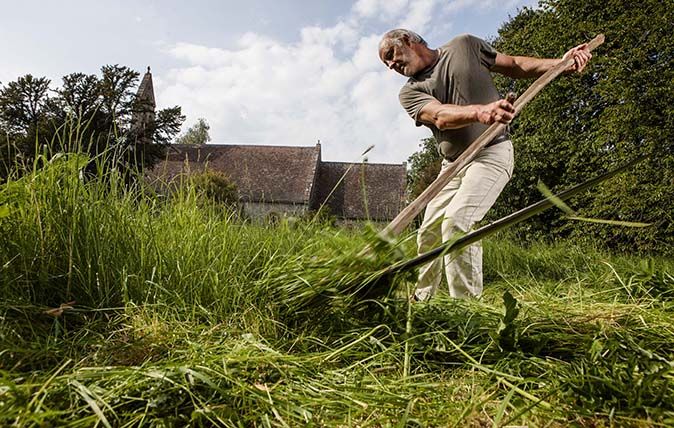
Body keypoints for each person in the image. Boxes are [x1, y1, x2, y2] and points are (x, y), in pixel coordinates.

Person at [378, 29, 592, 300]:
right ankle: (421, 300)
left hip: (492, 153)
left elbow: (514, 65)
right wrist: (480, 111)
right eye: (386, 63)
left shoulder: (464, 45)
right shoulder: (409, 92)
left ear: (408, 40)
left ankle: (466, 311)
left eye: (391, 55)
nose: (390, 65)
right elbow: (440, 116)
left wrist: (561, 64)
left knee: (456, 222)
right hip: (452, 166)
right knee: (429, 232)